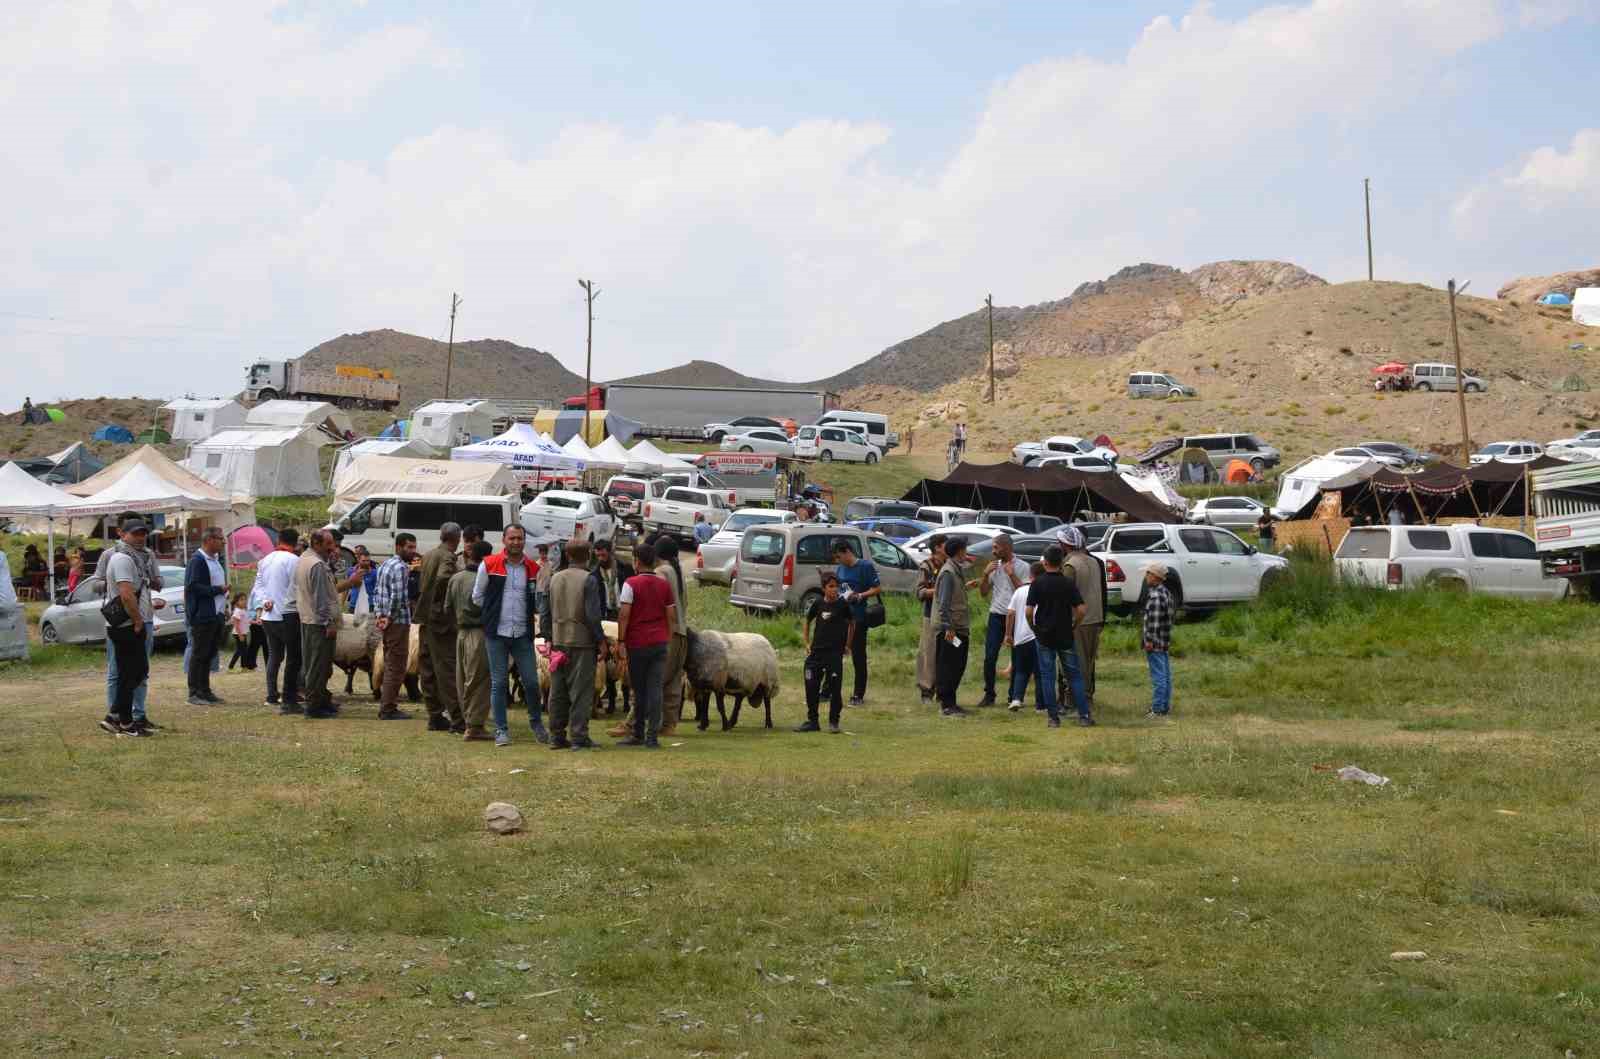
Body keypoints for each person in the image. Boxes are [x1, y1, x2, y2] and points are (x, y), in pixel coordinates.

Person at [472, 524, 547, 746]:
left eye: (520, 538)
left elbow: (537, 600)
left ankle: (536, 723)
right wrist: (491, 614)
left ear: (524, 541)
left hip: (522, 634)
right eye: (512, 538)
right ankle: (501, 731)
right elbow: (477, 596)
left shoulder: (533, 568)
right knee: (499, 683)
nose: (516, 542)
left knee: (532, 683)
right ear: (504, 540)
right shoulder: (489, 564)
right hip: (497, 633)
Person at [96, 512, 165, 731]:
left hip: (143, 616)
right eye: (135, 532)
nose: (140, 537)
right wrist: (113, 584)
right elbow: (100, 584)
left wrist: (150, 582)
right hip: (125, 620)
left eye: (144, 532)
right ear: (121, 533)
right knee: (119, 671)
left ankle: (134, 714)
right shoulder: (113, 555)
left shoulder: (147, 555)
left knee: (139, 671)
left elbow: (158, 582)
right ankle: (118, 716)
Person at [541, 538, 609, 750]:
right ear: (588, 555)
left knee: (558, 690)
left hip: (558, 641)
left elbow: (544, 612)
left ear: (568, 555)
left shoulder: (554, 578)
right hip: (582, 642)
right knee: (581, 692)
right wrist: (601, 640)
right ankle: (579, 737)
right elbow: (592, 615)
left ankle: (556, 736)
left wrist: (548, 637)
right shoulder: (589, 579)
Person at [616, 541, 676, 747]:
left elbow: (624, 615)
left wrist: (621, 640)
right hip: (659, 642)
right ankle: (652, 737)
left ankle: (638, 732)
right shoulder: (664, 585)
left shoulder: (630, 584)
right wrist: (667, 637)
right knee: (656, 689)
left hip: (637, 642)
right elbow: (671, 615)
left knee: (639, 690)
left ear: (637, 561)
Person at [1027, 545, 1090, 728]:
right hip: (1065, 633)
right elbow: (1081, 609)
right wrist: (1074, 624)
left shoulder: (1037, 583)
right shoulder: (1068, 583)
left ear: (1044, 562)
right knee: (1074, 676)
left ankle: (1053, 718)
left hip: (1044, 634)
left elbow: (1029, 611)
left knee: (1047, 676)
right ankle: (1084, 715)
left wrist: (1034, 627)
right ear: (1062, 562)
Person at [416, 522, 464, 733]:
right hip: (440, 620)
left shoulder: (428, 555)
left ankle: (434, 714)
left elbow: (424, 583)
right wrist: (443, 604)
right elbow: (443, 578)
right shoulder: (448, 557)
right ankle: (456, 718)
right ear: (457, 537)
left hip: (425, 617)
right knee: (445, 668)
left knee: (427, 668)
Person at [295, 528, 344, 719]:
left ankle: (322, 701)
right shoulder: (317, 565)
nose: (332, 548)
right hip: (319, 623)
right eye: (329, 544)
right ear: (317, 544)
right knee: (318, 665)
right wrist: (329, 623)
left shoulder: (305, 559)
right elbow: (322, 599)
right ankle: (314, 707)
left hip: (308, 619)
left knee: (316, 663)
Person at [796, 571, 853, 734]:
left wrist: (848, 645)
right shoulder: (818, 604)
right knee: (811, 685)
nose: (834, 590)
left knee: (835, 689)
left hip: (834, 654)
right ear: (824, 588)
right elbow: (807, 621)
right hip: (816, 653)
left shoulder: (843, 605)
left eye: (836, 586)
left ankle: (834, 722)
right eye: (831, 587)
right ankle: (812, 721)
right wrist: (807, 643)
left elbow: (852, 623)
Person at [253, 527, 303, 713]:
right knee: (294, 657)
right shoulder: (294, 560)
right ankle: (292, 692)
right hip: (287, 614)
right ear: (295, 543)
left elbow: (258, 585)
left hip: (269, 614)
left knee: (275, 656)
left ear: (279, 540)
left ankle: (271, 694)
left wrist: (265, 600)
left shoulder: (265, 560)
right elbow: (298, 587)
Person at [373, 532, 420, 721]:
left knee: (390, 661)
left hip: (386, 620)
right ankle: (388, 708)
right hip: (397, 622)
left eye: (414, 547)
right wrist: (390, 618)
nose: (412, 551)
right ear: (398, 547)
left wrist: (379, 615)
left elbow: (377, 593)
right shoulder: (401, 568)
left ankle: (387, 705)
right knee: (397, 665)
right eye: (409, 547)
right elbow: (399, 598)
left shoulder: (385, 564)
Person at [1059, 526, 1107, 709]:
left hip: (1078, 621)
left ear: (1066, 544)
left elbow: (1065, 596)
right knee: (1088, 661)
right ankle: (1086, 699)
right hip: (1095, 618)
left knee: (1075, 664)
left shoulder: (1070, 565)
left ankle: (1078, 702)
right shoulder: (1093, 561)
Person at [977, 534, 1027, 707]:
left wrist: (1012, 575)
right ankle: (989, 694)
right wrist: (985, 575)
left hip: (1016, 616)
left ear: (1006, 547)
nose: (993, 551)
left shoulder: (1022, 566)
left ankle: (1014, 695)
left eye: (996, 547)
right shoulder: (994, 567)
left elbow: (1026, 592)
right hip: (996, 616)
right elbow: (983, 592)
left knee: (1018, 657)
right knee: (990, 657)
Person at [183, 526, 231, 706]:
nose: (223, 542)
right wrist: (218, 590)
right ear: (209, 540)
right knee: (199, 654)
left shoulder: (215, 559)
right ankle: (194, 692)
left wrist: (223, 605)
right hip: (203, 615)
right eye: (220, 539)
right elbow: (193, 587)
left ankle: (205, 690)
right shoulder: (198, 560)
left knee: (209, 653)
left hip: (215, 614)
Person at [452, 541, 495, 742]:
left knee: (463, 679)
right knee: (479, 680)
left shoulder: (456, 578)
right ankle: (475, 725)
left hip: (461, 633)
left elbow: (447, 607)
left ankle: (467, 720)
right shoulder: (485, 579)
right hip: (479, 632)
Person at [833, 540, 881, 705]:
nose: (839, 561)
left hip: (859, 618)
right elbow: (838, 587)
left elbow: (877, 588)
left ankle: (858, 694)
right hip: (842, 616)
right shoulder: (840, 568)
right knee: (834, 654)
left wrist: (860, 595)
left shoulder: (865, 566)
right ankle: (828, 690)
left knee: (858, 657)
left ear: (847, 552)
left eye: (840, 556)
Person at [933, 536, 971, 715]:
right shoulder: (948, 572)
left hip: (959, 626)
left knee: (958, 664)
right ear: (959, 551)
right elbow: (944, 603)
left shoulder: (956, 570)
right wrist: (948, 627)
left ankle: (951, 702)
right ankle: (946, 705)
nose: (966, 552)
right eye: (965, 549)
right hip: (951, 629)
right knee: (949, 665)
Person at [1002, 562, 1042, 711]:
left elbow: (1010, 613)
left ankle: (1016, 699)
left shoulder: (1019, 591)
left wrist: (1008, 634)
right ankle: (1040, 705)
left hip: (1020, 638)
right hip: (1038, 636)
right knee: (1039, 673)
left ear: (1030, 575)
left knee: (1020, 670)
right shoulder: (1042, 590)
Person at [914, 534, 947, 704]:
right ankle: (926, 691)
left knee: (945, 655)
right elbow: (919, 592)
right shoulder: (926, 566)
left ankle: (942, 691)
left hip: (947, 617)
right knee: (928, 653)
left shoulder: (950, 564)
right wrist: (939, 590)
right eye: (945, 544)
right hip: (930, 616)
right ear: (937, 548)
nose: (947, 547)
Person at [1142, 564, 1175, 719]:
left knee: (1158, 677)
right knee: (1166, 675)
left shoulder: (1155, 596)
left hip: (1154, 642)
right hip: (1164, 640)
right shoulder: (1166, 593)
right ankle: (1165, 706)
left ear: (1155, 576)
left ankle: (1157, 708)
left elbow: (1153, 622)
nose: (1146, 576)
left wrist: (1148, 641)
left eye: (1148, 573)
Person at [345, 544, 378, 610]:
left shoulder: (375, 573)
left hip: (369, 605)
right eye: (363, 561)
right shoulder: (351, 571)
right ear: (358, 560)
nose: (366, 563)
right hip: (354, 605)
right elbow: (346, 588)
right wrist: (342, 603)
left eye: (368, 561)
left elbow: (377, 591)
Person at [227, 592, 252, 670]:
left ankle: (243, 667)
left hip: (242, 633)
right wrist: (240, 635)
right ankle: (232, 667)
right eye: (241, 600)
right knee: (241, 651)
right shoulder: (237, 611)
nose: (244, 601)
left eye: (245, 599)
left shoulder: (243, 610)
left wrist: (255, 621)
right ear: (236, 602)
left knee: (242, 650)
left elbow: (246, 621)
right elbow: (236, 624)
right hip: (238, 634)